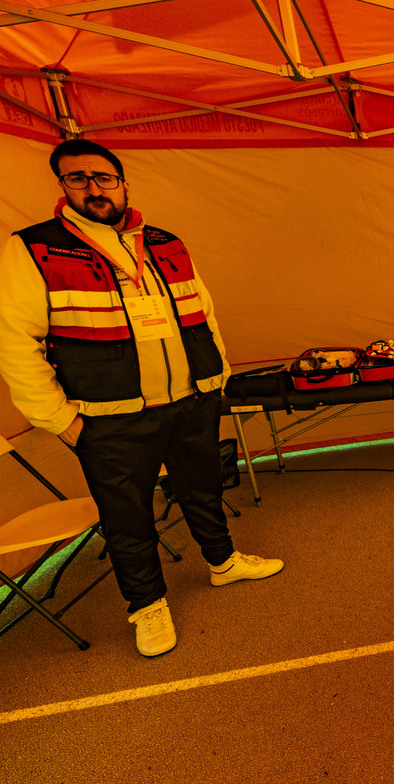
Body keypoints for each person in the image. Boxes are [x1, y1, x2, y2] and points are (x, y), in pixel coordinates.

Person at [0, 139, 283, 658]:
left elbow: (205, 310)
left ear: (124, 183)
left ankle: (222, 563)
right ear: (62, 187)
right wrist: (60, 421)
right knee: (127, 517)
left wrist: (215, 378)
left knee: (201, 488)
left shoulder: (165, 241)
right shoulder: (34, 247)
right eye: (77, 178)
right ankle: (147, 606)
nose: (93, 188)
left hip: (190, 402)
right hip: (109, 419)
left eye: (104, 178)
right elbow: (15, 343)